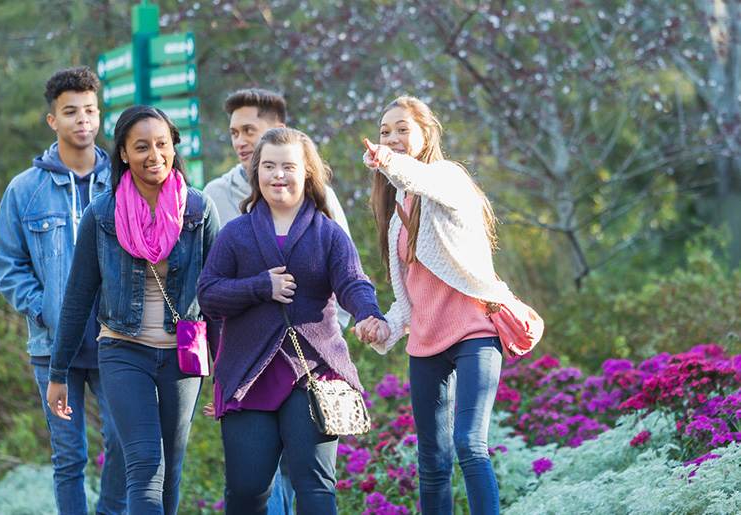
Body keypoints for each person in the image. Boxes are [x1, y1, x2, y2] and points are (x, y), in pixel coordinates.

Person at [197, 127, 389, 515]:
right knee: (247, 493)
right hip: (248, 375)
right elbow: (208, 294)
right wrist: (259, 287)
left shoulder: (329, 234)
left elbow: (353, 281)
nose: (277, 175)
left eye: (287, 166)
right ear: (256, 174)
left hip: (315, 373)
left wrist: (370, 314)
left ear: (307, 173)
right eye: (268, 166)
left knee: (316, 490)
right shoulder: (235, 233)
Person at [46, 105, 220, 514]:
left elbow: (217, 297)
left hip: (183, 356)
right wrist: (58, 373)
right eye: (141, 147)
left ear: (174, 148)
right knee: (145, 466)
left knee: (171, 470)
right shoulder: (102, 214)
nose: (154, 155)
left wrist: (226, 372)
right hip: (124, 350)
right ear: (123, 153)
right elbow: (77, 298)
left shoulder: (199, 210)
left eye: (162, 145)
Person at [362, 95, 514, 515]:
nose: (392, 138)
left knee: (469, 442)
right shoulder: (396, 214)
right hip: (426, 343)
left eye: (402, 129)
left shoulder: (447, 179)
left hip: (474, 333)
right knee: (432, 461)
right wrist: (384, 327)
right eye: (384, 132)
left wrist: (389, 162)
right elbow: (409, 298)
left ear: (427, 133)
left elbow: (420, 179)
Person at [0, 66, 126, 514]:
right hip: (54, 347)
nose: (82, 120)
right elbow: (8, 264)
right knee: (69, 457)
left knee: (123, 441)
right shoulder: (25, 190)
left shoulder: (123, 183)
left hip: (116, 339)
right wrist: (46, 309)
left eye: (90, 110)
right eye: (70, 112)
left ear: (99, 115)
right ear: (53, 120)